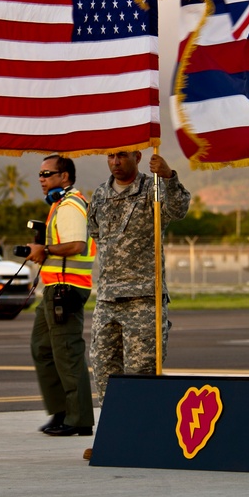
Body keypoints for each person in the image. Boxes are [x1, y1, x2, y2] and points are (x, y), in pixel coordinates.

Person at [87, 151, 190, 402]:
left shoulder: (152, 189)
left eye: (121, 156)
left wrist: (167, 176)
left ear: (137, 156)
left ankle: (142, 437)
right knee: (103, 370)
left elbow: (178, 210)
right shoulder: (100, 195)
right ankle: (113, 436)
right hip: (108, 299)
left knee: (142, 375)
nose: (115, 162)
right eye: (110, 156)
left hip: (143, 298)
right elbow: (96, 233)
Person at [26, 155, 96, 437]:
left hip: (66, 290)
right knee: (42, 348)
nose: (42, 179)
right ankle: (61, 411)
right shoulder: (58, 205)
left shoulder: (70, 205)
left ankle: (79, 419)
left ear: (64, 177)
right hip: (53, 288)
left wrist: (46, 250)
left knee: (67, 353)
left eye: (47, 173)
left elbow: (77, 244)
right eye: (40, 174)